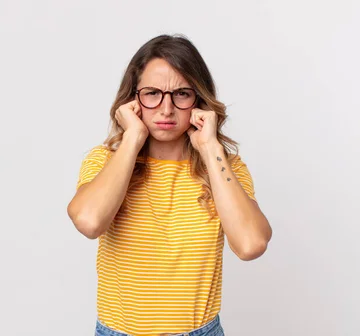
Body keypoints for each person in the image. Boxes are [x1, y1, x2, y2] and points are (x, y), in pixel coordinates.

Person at [67, 34, 273, 336]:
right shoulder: (104, 161)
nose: (166, 109)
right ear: (133, 99)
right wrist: (133, 137)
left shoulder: (225, 170)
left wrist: (211, 148)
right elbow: (88, 222)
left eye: (181, 94)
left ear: (198, 100)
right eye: (152, 93)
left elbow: (251, 244)